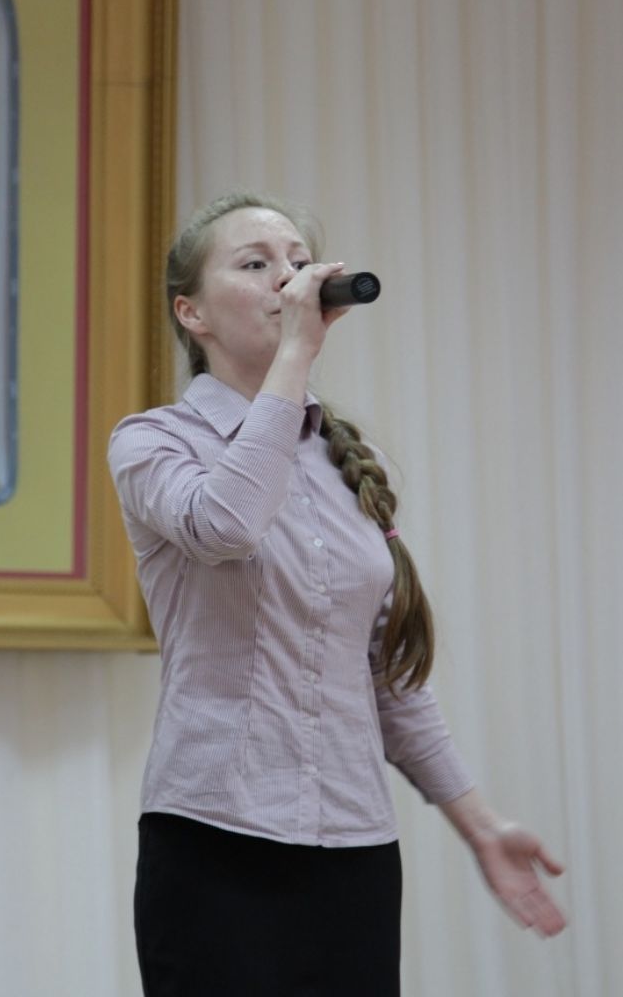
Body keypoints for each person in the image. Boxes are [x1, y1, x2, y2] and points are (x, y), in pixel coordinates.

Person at [108, 191, 566, 996]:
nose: (287, 280)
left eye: (296, 261)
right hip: (215, 842)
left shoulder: (348, 463)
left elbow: (386, 680)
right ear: (191, 313)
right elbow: (225, 526)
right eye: (255, 264)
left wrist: (480, 826)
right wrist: (294, 356)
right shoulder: (152, 441)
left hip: (355, 851)